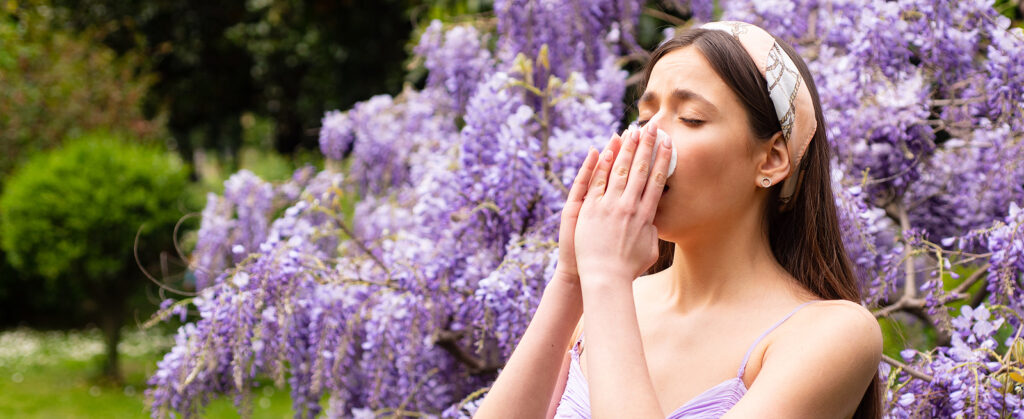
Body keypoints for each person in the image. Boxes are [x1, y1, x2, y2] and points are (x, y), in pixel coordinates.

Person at [474, 21, 883, 419]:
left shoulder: (832, 334)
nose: (648, 139)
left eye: (690, 118)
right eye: (643, 118)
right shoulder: (598, 304)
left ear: (772, 159)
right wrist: (571, 278)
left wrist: (606, 276)